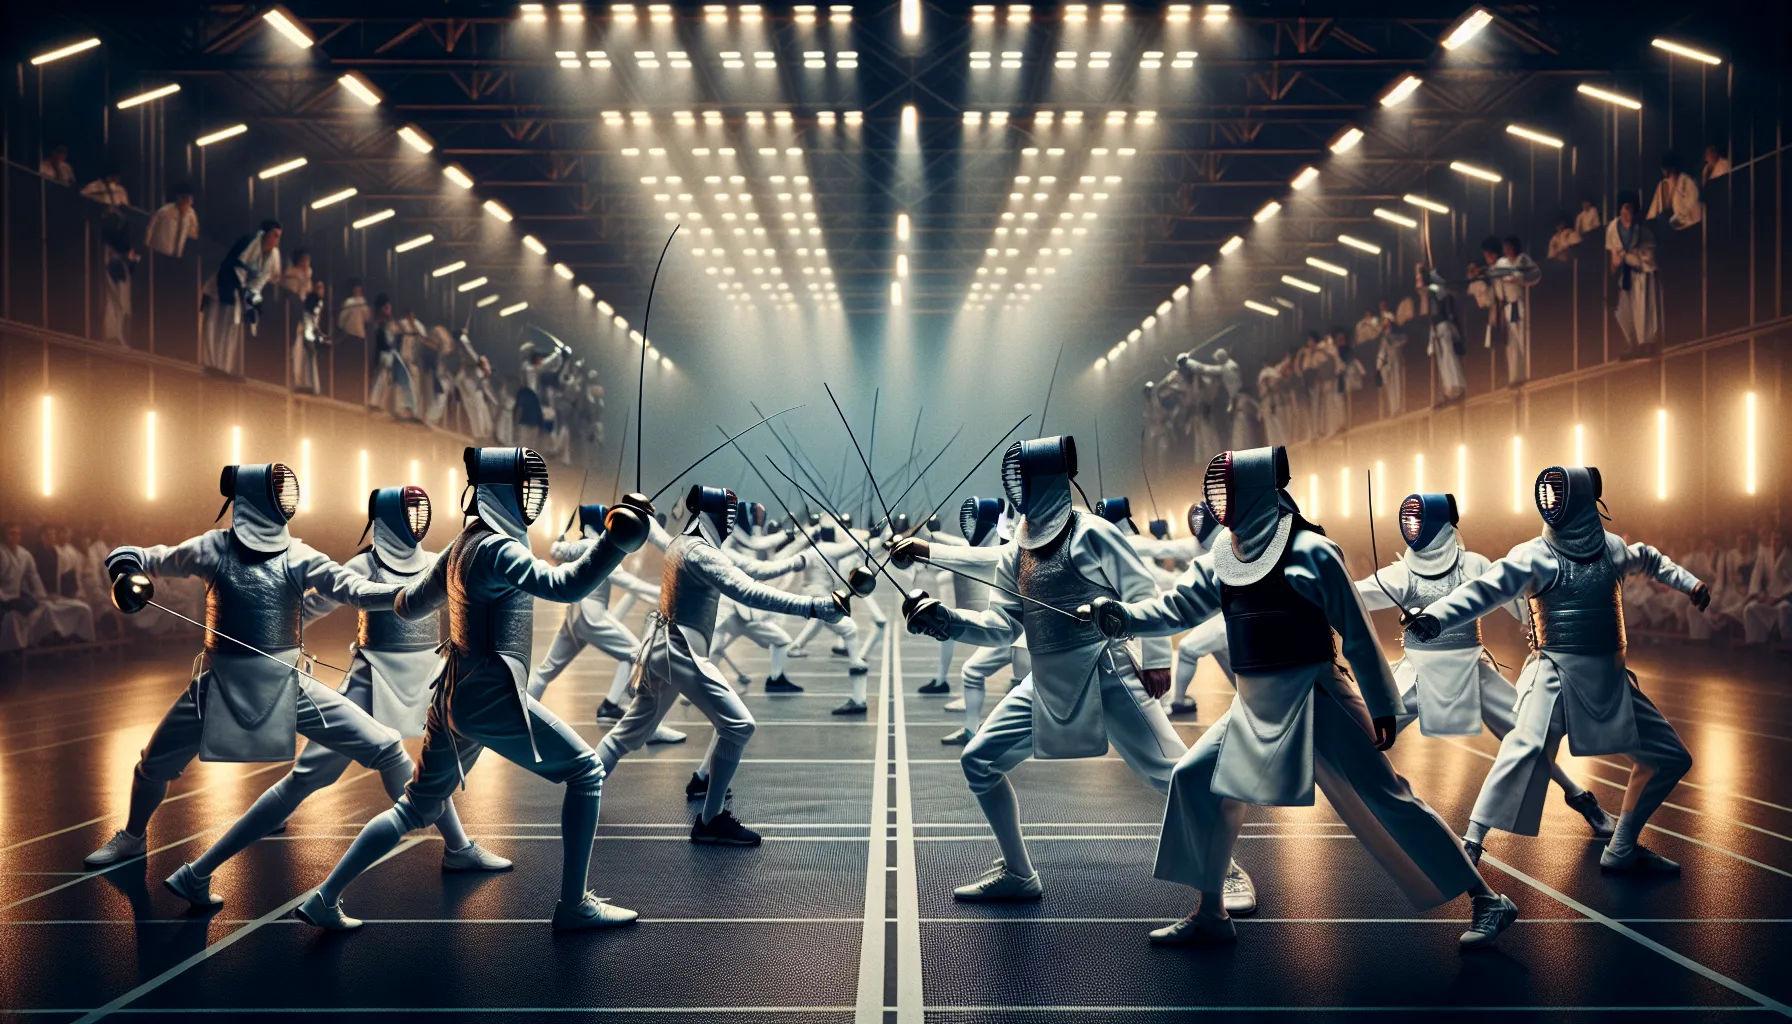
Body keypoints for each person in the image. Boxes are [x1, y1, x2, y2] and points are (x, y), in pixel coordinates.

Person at [1089, 447, 1515, 949]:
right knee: (1195, 779)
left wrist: (1381, 702)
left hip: (1318, 695)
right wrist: (1124, 616)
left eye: (1230, 490)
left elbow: (1356, 631)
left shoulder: (1313, 551)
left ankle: (1488, 899)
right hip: (1253, 700)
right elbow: (1178, 608)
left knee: (1388, 798)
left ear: (1257, 491)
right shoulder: (1225, 555)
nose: (1223, 503)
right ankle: (1210, 910)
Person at [295, 448, 648, 931]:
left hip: (452, 692)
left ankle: (324, 897)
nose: (533, 497)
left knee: (417, 806)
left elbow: (408, 606)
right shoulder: (497, 550)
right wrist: (614, 543)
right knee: (586, 772)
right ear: (504, 489)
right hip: (489, 696)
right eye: (526, 486)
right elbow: (566, 587)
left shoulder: (462, 545)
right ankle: (573, 907)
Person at [899, 437, 1254, 915]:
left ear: (1044, 480)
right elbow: (1004, 625)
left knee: (1173, 775)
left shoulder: (1092, 532)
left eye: (1024, 479)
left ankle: (1226, 868)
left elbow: (1141, 587)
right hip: (1045, 680)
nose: (1018, 489)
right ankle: (1019, 874)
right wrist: (948, 622)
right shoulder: (1016, 549)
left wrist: (1154, 658)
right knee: (979, 761)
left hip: (1107, 672)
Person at [161, 487, 513, 909]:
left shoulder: (435, 561)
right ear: (386, 517)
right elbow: (306, 607)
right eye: (408, 512)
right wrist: (259, 626)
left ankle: (458, 848)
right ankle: (199, 869)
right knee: (308, 778)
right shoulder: (364, 564)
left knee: (432, 768)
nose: (416, 520)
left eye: (420, 511)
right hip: (371, 683)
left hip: (425, 679)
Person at [83, 465, 414, 872]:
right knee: (154, 764)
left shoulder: (300, 556)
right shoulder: (212, 548)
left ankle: (424, 821)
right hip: (218, 686)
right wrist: (125, 569)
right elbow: (142, 556)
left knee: (385, 745)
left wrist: (412, 591)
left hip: (287, 685)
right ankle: (132, 838)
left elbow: (356, 589)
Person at [1406, 466, 1710, 875]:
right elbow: (1485, 589)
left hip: (1610, 679)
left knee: (1669, 757)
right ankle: (1471, 845)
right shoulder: (1534, 554)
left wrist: (1690, 584)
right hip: (1555, 676)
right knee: (1525, 747)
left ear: (1582, 501)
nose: (1551, 504)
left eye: (1559, 495)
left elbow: (1650, 559)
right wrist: (1437, 617)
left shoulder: (1613, 548)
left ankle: (1621, 848)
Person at [1355, 493, 1616, 842]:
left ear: (1439, 522)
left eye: (1419, 518)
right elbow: (1354, 595)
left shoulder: (1475, 565)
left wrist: (1554, 606)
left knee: (1527, 739)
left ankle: (1581, 798)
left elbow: (1520, 601)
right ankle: (1392, 804)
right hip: (1420, 674)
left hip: (1472, 671)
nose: (1413, 527)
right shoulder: (1402, 573)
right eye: (1409, 520)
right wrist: (1318, 588)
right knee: (1365, 736)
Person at [597, 486, 842, 847]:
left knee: (629, 733)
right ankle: (710, 820)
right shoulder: (700, 552)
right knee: (739, 725)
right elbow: (749, 591)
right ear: (720, 515)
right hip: (681, 651)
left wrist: (643, 518)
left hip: (663, 648)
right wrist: (813, 607)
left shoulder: (684, 543)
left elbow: (750, 572)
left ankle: (585, 781)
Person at [528, 503, 684, 746]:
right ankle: (647, 728)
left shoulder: (574, 546)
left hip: (574, 619)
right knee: (641, 656)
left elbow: (556, 550)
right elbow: (631, 584)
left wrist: (559, 541)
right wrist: (666, 594)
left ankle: (521, 719)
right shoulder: (599, 549)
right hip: (593, 619)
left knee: (545, 671)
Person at [898, 497, 1033, 745]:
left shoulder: (1007, 546)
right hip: (1008, 626)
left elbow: (971, 556)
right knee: (972, 671)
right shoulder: (995, 542)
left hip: (1029, 635)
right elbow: (965, 550)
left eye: (975, 519)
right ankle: (972, 730)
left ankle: (1025, 738)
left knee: (1024, 686)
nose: (969, 525)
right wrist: (924, 544)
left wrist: (925, 550)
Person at [202, 221, 283, 376]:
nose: (276, 240)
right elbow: (234, 266)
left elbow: (260, 281)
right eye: (274, 235)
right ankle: (209, 364)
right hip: (223, 285)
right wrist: (239, 288)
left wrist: (250, 298)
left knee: (231, 327)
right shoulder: (248, 242)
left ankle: (224, 367)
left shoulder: (272, 256)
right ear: (266, 233)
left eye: (279, 237)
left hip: (241, 292)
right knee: (213, 324)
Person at [0, 523, 96, 651]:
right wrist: (4, 598)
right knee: (16, 615)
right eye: (11, 534)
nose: (15, 537)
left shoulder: (24, 554)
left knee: (44, 607)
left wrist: (42, 596)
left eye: (18, 534)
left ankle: (65, 639)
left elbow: (33, 576)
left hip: (17, 595)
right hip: (4, 597)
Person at [1607, 194, 1663, 356]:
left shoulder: (1642, 230)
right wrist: (1615, 264)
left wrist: (1632, 256)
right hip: (1624, 275)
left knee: (1644, 308)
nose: (1627, 212)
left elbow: (1647, 255)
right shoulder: (1613, 229)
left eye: (1630, 209)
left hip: (1641, 273)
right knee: (1624, 311)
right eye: (1625, 208)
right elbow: (1614, 253)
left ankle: (1646, 342)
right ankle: (1632, 344)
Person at [1417, 264, 1467, 402]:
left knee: (1449, 356)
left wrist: (1431, 284)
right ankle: (1449, 390)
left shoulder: (1437, 285)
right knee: (1442, 359)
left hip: (1444, 323)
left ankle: (1457, 386)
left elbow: (1441, 290)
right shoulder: (1430, 289)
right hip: (1435, 326)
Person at [367, 295, 420, 419]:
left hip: (391, 353)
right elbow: (390, 334)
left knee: (390, 379)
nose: (389, 309)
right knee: (399, 379)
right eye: (387, 307)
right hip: (387, 353)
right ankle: (409, 408)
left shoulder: (387, 321)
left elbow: (400, 331)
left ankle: (376, 403)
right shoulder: (381, 322)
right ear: (382, 308)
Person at [98, 210, 139, 347]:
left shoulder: (110, 239)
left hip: (116, 266)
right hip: (116, 267)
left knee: (117, 304)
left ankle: (113, 335)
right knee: (116, 304)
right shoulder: (117, 239)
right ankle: (112, 335)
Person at [1742, 529, 1791, 645]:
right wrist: (1756, 594)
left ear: (1784, 541)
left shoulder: (1789, 556)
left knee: (1784, 609)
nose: (1774, 542)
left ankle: (1782, 640)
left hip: (1785, 599)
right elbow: (1756, 575)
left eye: (1778, 540)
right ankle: (1755, 642)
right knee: (1750, 609)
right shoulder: (1765, 554)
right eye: (1772, 540)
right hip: (1768, 597)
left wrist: (1778, 598)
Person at [291, 279, 328, 394]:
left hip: (309, 332)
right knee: (304, 356)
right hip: (304, 332)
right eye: (319, 288)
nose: (321, 291)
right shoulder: (311, 300)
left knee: (309, 357)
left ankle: (309, 384)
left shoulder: (318, 302)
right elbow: (308, 318)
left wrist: (319, 333)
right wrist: (311, 335)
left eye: (322, 288)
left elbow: (315, 320)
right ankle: (304, 383)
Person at [1647, 154, 1702, 229]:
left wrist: (1673, 220)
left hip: (1688, 227)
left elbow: (1691, 207)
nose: (1662, 171)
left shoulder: (1687, 182)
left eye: (1664, 168)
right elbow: (1654, 210)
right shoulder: (1662, 185)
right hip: (1668, 228)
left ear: (1671, 168)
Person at [144, 188, 200, 259]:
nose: (187, 202)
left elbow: (193, 236)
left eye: (189, 200)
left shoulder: (191, 216)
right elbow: (150, 231)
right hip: (159, 253)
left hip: (178, 258)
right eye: (185, 199)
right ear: (179, 198)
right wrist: (147, 249)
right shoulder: (164, 212)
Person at [336, 278, 372, 345]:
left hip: (357, 334)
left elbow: (367, 318)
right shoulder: (349, 302)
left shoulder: (362, 302)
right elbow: (341, 320)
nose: (358, 290)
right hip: (351, 334)